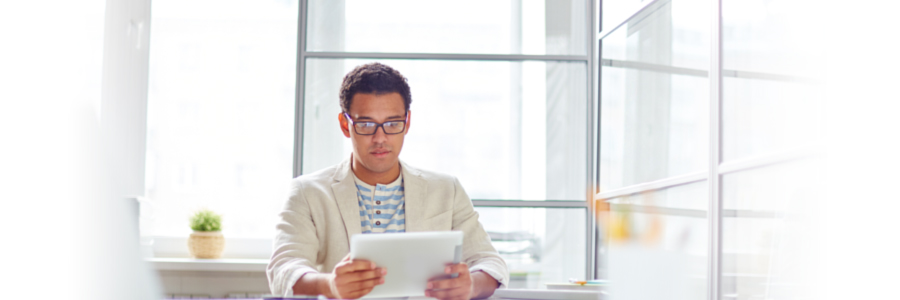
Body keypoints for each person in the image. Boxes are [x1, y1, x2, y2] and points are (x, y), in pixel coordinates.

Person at [266, 62, 508, 300]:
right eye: (366, 124)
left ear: (407, 123)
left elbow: (490, 262)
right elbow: (283, 268)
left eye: (392, 123)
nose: (380, 138)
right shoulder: (308, 192)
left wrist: (471, 286)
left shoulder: (446, 190)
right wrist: (329, 285)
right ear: (345, 124)